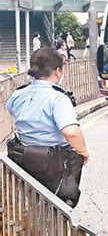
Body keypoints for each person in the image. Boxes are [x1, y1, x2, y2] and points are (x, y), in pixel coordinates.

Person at [6, 48, 89, 207]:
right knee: (57, 204)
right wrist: (83, 151)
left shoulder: (18, 93)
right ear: (58, 70)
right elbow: (71, 132)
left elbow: (10, 109)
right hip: (53, 161)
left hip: (22, 155)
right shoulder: (58, 97)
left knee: (28, 200)